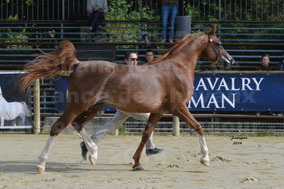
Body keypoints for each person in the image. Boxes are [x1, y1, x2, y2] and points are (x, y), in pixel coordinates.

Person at [80, 52, 165, 161]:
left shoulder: (135, 71)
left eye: (136, 59)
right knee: (150, 119)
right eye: (132, 59)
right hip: (126, 104)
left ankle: (88, 143)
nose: (135, 62)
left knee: (112, 125)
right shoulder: (122, 72)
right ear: (126, 60)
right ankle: (150, 148)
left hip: (127, 104)